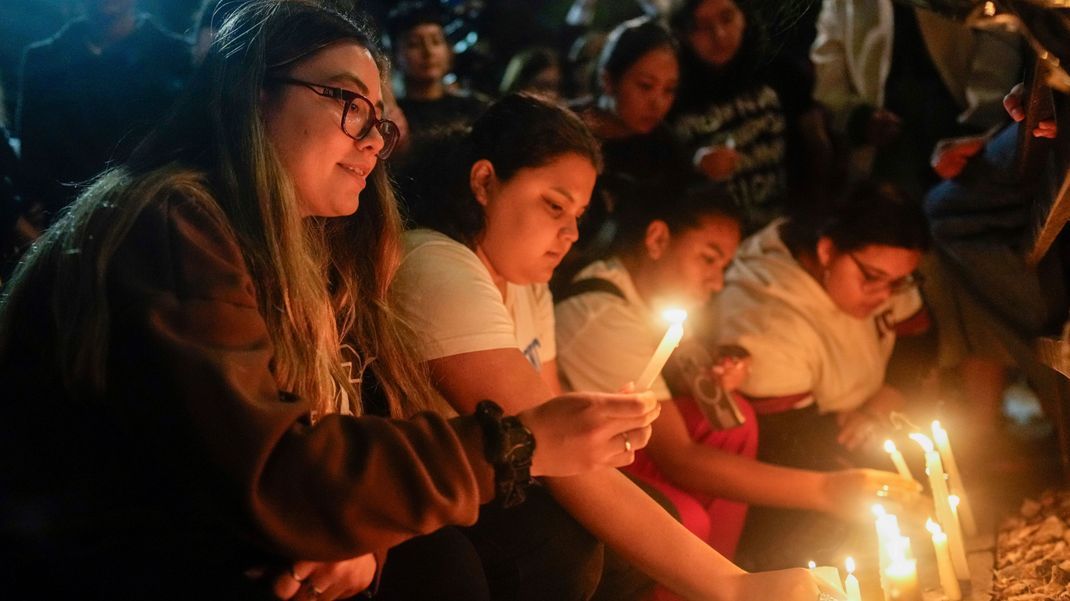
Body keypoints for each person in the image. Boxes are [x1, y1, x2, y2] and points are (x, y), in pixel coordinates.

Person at [0, 3, 661, 599]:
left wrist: (366, 538)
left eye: (381, 118)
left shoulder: (318, 248)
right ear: (253, 93)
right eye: (348, 100)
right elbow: (270, 469)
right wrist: (514, 443)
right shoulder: (172, 222)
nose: (373, 138)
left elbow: (363, 415)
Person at [395, 92, 845, 601]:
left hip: (504, 485)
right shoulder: (437, 266)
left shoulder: (526, 285)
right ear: (483, 182)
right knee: (566, 550)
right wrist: (735, 587)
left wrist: (601, 426)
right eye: (554, 205)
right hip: (429, 499)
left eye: (580, 213)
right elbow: (541, 442)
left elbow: (554, 422)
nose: (570, 232)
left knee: (653, 522)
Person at [555, 186, 920, 568]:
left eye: (723, 267)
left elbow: (674, 374)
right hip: (586, 459)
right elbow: (679, 458)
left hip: (631, 440)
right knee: (687, 519)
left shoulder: (650, 297)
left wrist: (720, 369)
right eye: (708, 260)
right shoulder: (601, 318)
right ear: (658, 239)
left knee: (735, 421)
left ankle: (720, 569)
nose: (716, 283)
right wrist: (828, 491)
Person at [707, 182, 931, 569]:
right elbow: (795, 446)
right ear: (827, 250)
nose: (884, 296)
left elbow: (919, 345)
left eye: (897, 283)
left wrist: (881, 405)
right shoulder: (764, 320)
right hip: (797, 477)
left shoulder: (881, 273)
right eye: (872, 278)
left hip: (858, 426)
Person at [810, 0, 1022, 195]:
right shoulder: (840, 5)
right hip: (886, 155)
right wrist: (859, 117)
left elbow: (1000, 34)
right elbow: (828, 80)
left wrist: (981, 120)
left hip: (966, 131)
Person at [16, 0, 193, 223]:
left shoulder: (176, 57)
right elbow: (33, 153)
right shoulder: (43, 60)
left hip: (151, 218)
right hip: (65, 220)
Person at [667, 0, 790, 230]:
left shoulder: (778, 71)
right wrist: (695, 168)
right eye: (703, 26)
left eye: (727, 18)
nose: (719, 34)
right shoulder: (669, 90)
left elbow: (811, 151)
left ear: (744, 16)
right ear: (683, 34)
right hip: (711, 236)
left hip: (782, 230)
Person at [385, 0, 489, 136]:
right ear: (395, 57)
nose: (428, 52)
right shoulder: (392, 119)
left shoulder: (475, 110)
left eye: (436, 41)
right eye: (414, 44)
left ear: (449, 51)